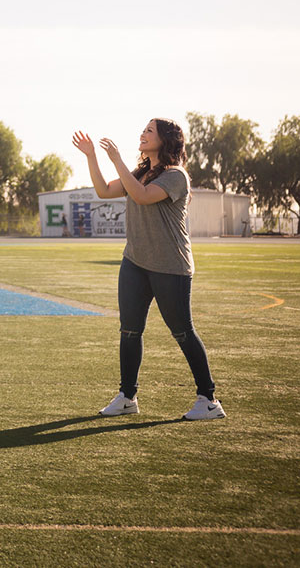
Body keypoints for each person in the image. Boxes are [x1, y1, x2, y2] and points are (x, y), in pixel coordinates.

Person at [71, 118, 224, 421]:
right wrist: (92, 156)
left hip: (170, 266)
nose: (143, 134)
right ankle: (127, 396)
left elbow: (141, 196)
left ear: (165, 140)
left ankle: (208, 399)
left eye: (149, 131)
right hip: (135, 263)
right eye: (144, 129)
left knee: (182, 331)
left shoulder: (176, 176)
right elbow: (102, 190)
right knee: (129, 331)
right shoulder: (140, 172)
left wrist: (116, 159)